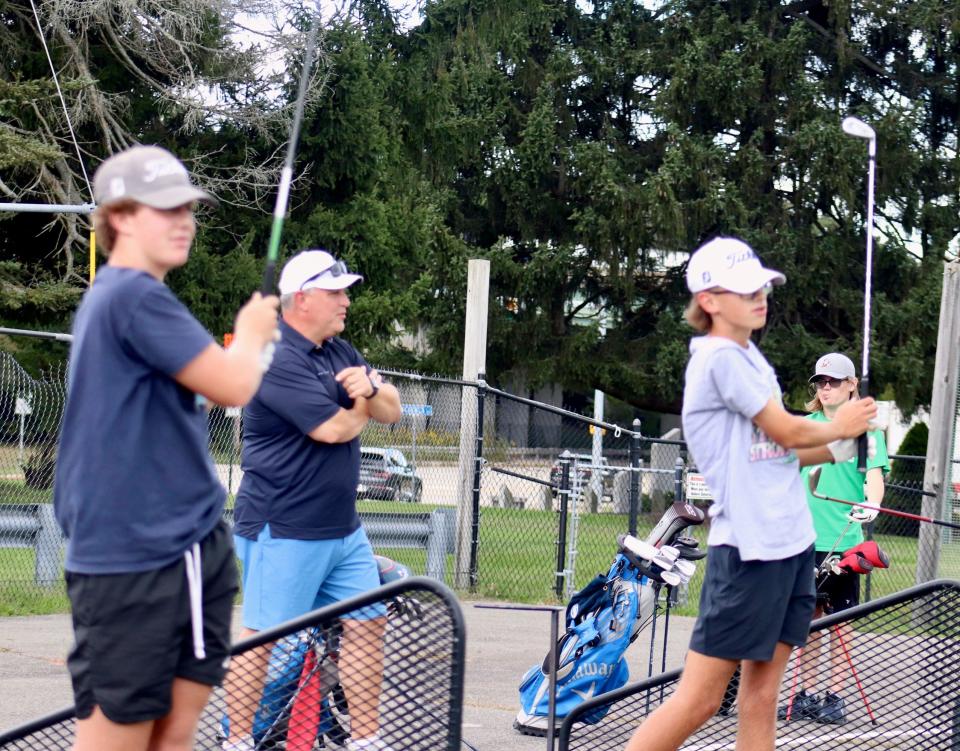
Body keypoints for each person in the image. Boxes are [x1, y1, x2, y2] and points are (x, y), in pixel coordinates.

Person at [53, 145, 280, 751]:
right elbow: (234, 384)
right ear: (120, 217)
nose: (184, 221)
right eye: (165, 208)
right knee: (121, 734)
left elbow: (201, 396)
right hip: (138, 556)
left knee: (171, 734)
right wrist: (254, 334)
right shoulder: (131, 295)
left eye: (189, 208)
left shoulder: (128, 299)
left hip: (178, 547)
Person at [624, 237, 876, 751]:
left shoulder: (750, 358)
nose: (760, 295)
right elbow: (785, 430)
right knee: (699, 702)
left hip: (790, 548)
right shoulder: (719, 359)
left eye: (762, 285)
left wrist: (839, 447)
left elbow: (774, 453)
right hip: (748, 555)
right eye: (745, 290)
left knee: (761, 700)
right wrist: (837, 425)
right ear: (711, 302)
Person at [223, 249, 402, 751]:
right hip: (283, 527)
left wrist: (368, 387)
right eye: (336, 292)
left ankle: (366, 739)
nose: (346, 301)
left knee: (368, 625)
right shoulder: (275, 356)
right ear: (302, 299)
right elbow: (333, 428)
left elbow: (395, 409)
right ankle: (236, 740)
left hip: (342, 529)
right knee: (264, 642)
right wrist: (367, 397)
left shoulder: (339, 350)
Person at [776, 352, 888, 725]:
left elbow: (874, 475)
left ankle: (835, 696)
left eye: (834, 382)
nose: (826, 388)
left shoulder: (867, 431)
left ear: (852, 384)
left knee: (840, 619)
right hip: (801, 539)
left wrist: (871, 503)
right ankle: (806, 693)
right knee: (808, 618)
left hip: (844, 539)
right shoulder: (806, 425)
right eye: (821, 383)